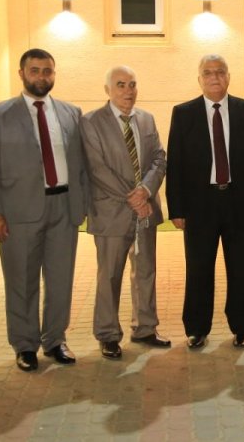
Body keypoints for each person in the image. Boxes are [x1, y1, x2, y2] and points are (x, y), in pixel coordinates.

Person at [0, 48, 88, 372]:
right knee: (21, 281)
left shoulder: (71, 113)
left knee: (60, 280)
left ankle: (55, 340)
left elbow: (80, 163)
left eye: (47, 71)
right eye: (35, 70)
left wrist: (81, 203)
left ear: (54, 74)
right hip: (19, 211)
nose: (42, 76)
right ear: (22, 74)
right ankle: (25, 345)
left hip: (63, 208)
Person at [166, 54, 244, 349]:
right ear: (199, 79)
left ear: (228, 77)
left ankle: (243, 327)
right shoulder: (183, 113)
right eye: (208, 72)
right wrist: (177, 208)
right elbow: (175, 163)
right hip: (199, 205)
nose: (214, 77)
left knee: (242, 268)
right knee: (198, 269)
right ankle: (197, 329)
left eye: (220, 72)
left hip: (239, 203)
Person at [80, 66, 169, 360]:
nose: (128, 91)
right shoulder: (91, 122)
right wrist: (134, 198)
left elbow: (159, 159)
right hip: (111, 211)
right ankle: (107, 334)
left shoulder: (146, 119)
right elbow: (97, 169)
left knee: (145, 271)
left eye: (132, 84)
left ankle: (145, 328)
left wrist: (146, 190)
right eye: (120, 85)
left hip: (145, 210)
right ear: (107, 89)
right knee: (110, 275)